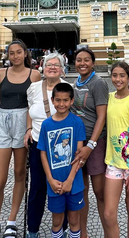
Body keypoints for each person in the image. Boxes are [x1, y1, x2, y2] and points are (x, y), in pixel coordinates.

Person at [0, 39, 41, 238]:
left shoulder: (34, 74)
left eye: (19, 52)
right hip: (2, 121)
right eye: (12, 53)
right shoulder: (0, 73)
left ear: (25, 53)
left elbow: (36, 103)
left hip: (23, 123)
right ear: (7, 55)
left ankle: (11, 221)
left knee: (20, 174)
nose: (15, 56)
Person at [101, 61, 129, 238]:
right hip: (113, 162)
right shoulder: (109, 99)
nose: (118, 79)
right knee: (109, 213)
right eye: (114, 75)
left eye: (122, 76)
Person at [24, 53, 67, 238]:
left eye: (56, 65)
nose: (52, 67)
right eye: (48, 64)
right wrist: (28, 129)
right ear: (42, 66)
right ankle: (32, 229)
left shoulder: (68, 88)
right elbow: (30, 110)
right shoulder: (33, 88)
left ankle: (61, 229)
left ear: (62, 69)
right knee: (37, 189)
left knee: (60, 188)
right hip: (37, 145)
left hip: (60, 148)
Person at [38, 82, 86, 238]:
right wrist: (50, 179)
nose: (61, 104)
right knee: (57, 222)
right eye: (58, 100)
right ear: (52, 100)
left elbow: (79, 155)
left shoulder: (77, 122)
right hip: (54, 183)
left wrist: (70, 180)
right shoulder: (46, 125)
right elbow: (43, 153)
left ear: (72, 101)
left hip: (74, 182)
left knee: (74, 221)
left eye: (65, 100)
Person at [70, 47, 109, 238]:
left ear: (93, 63)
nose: (82, 63)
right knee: (81, 191)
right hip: (78, 142)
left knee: (100, 192)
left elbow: (102, 117)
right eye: (79, 60)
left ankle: (108, 232)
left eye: (86, 60)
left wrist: (91, 146)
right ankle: (82, 233)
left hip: (95, 142)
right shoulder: (75, 83)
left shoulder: (98, 83)